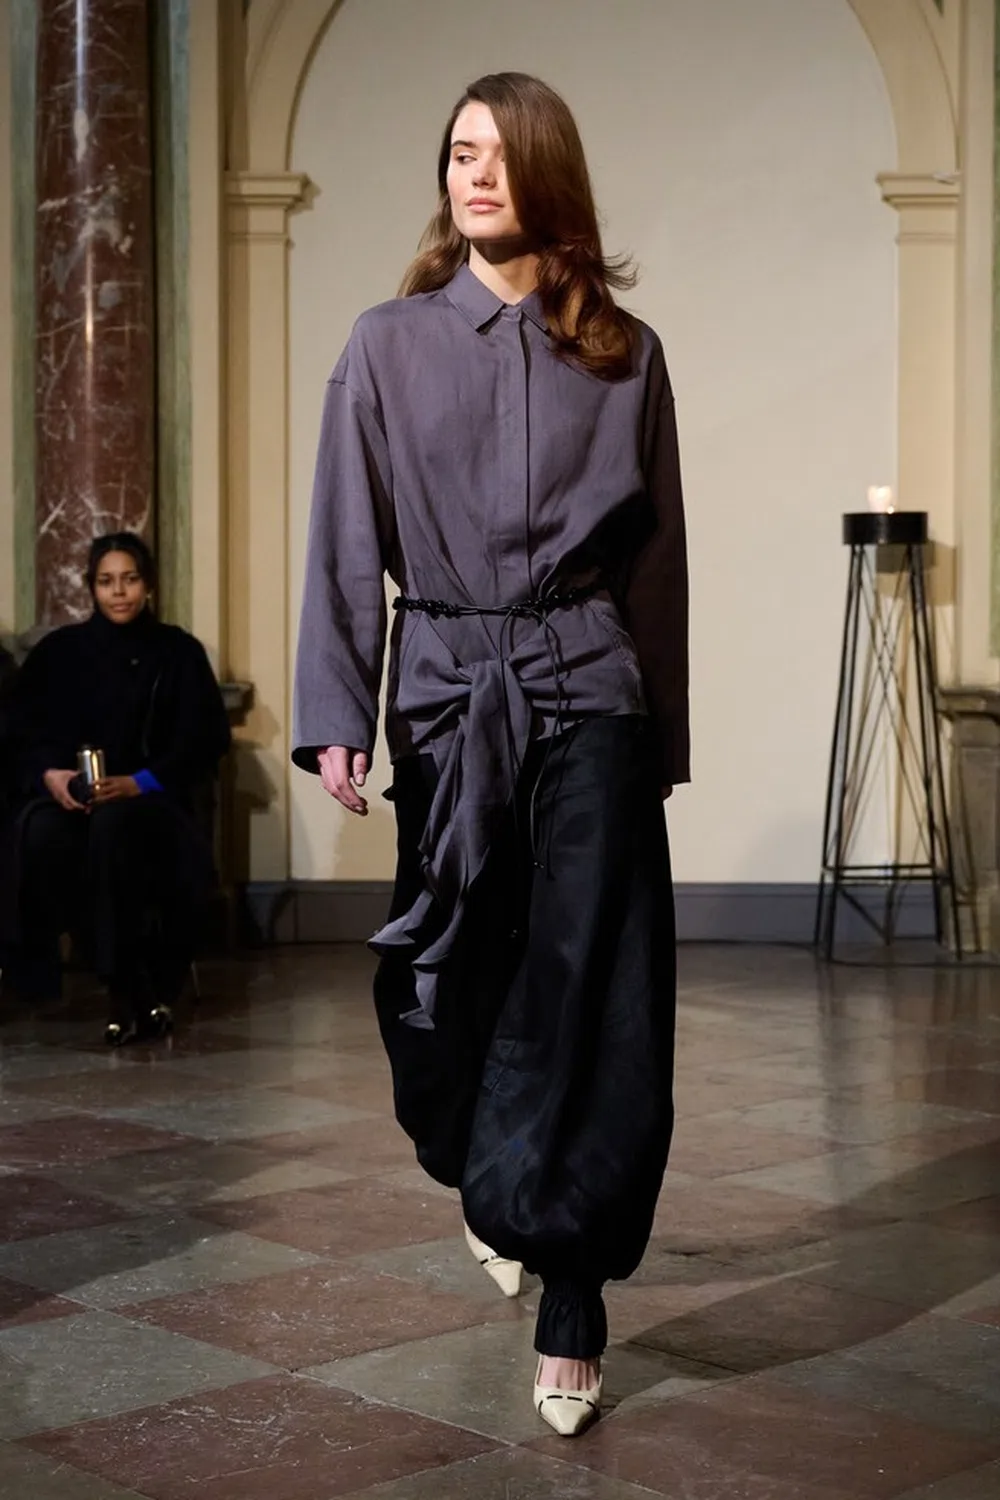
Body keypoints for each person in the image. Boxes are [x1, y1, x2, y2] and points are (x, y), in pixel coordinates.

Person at [293, 72, 688, 1436]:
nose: (472, 173)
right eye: (457, 152)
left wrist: (659, 737)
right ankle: (485, 1168)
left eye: (498, 154)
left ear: (546, 174)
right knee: (445, 982)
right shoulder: (386, 345)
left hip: (588, 694)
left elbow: (655, 562)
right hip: (450, 697)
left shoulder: (624, 354)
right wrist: (337, 712)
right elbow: (346, 536)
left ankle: (573, 1289)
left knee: (590, 989)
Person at [2, 533, 230, 1043]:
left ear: (148, 585)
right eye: (106, 581)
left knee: (114, 831)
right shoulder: (60, 652)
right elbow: (22, 734)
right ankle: (124, 984)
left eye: (129, 579)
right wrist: (51, 776)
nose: (119, 592)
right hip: (73, 800)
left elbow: (203, 741)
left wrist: (138, 782)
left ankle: (123, 988)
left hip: (155, 800)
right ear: (91, 587)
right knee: (40, 835)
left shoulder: (177, 652)